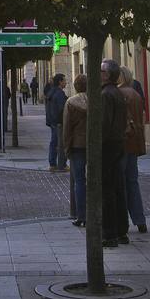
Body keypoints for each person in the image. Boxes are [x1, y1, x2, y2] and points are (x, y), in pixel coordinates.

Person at [99, 58, 129, 248]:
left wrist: (96, 145)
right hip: (118, 144)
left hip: (108, 145)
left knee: (107, 189)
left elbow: (104, 124)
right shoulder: (117, 93)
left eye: (101, 70)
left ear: (107, 74)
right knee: (118, 188)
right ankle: (121, 231)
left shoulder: (106, 94)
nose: (98, 73)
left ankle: (109, 233)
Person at [119, 65, 148, 234]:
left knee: (120, 183)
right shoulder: (135, 94)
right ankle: (139, 219)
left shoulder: (119, 94)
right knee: (132, 181)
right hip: (133, 144)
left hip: (122, 143)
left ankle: (122, 222)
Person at [62, 74, 89, 226]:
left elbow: (67, 128)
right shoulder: (97, 99)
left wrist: (66, 148)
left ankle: (81, 216)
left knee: (79, 181)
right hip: (93, 144)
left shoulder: (71, 102)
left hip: (77, 145)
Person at [44, 74, 68, 171]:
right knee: (60, 143)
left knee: (54, 143)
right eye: (64, 81)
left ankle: (53, 164)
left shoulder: (51, 92)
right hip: (58, 122)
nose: (66, 82)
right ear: (60, 82)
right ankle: (61, 164)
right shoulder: (59, 94)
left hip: (53, 121)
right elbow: (62, 109)